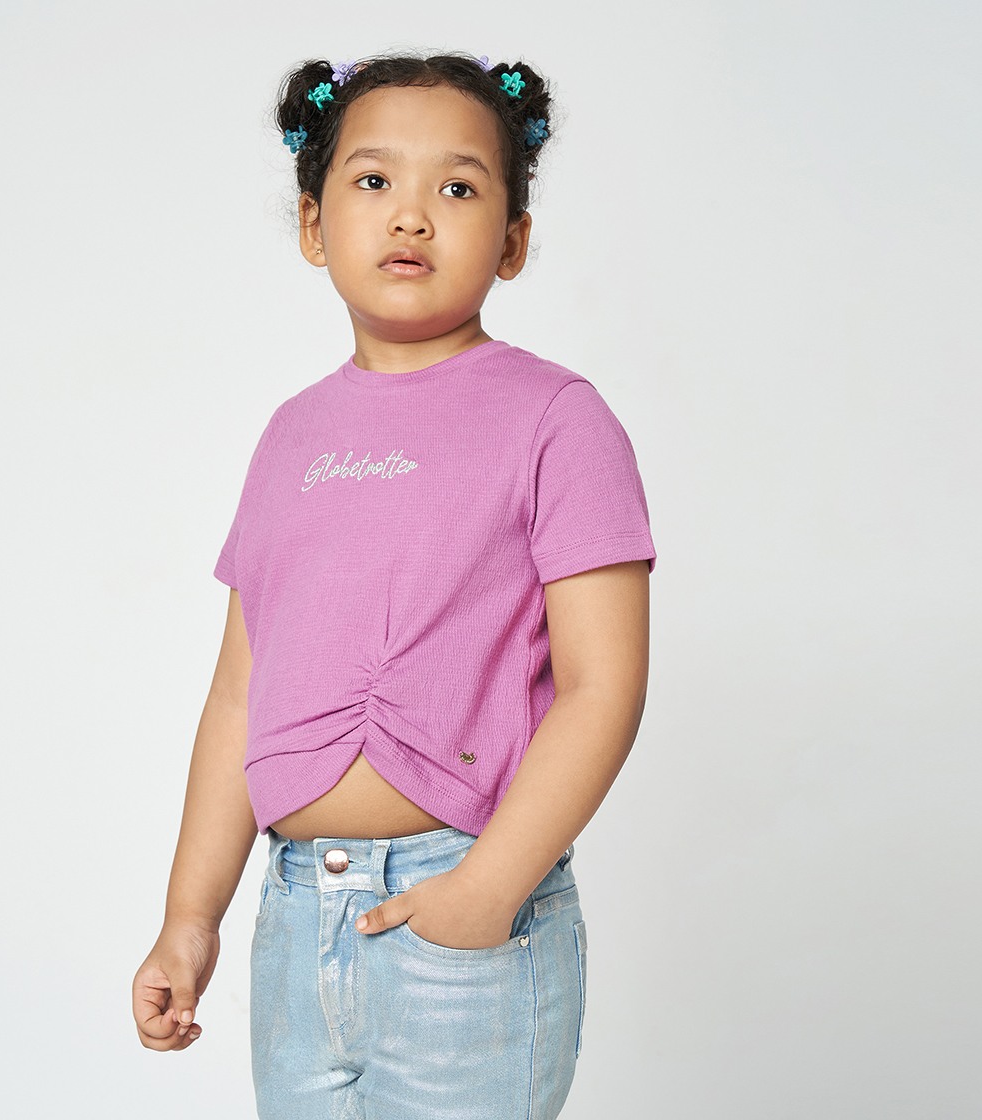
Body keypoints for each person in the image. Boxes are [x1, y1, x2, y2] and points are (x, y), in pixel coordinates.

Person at [132, 50, 657, 1119]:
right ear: (313, 224)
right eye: (374, 180)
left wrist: (487, 890)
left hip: (461, 917)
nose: (412, 214)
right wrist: (191, 918)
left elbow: (604, 686)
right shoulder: (290, 436)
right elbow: (239, 695)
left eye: (457, 187)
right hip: (294, 920)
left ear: (512, 240)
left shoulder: (558, 420)